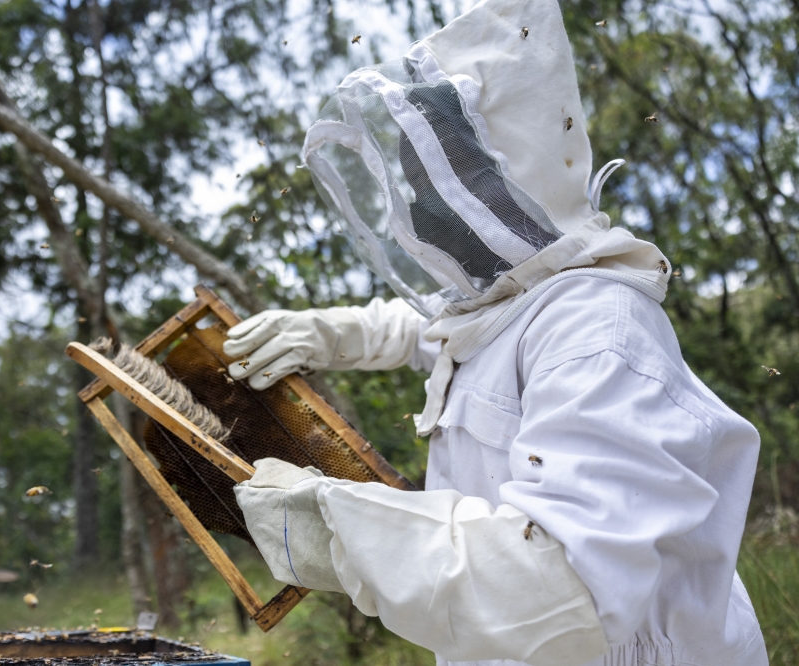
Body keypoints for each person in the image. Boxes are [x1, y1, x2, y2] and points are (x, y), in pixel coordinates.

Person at [225, 0, 769, 664]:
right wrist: (325, 331)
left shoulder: (596, 330)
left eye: (447, 183)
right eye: (418, 187)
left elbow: (567, 590)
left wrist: (341, 527)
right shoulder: (503, 307)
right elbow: (425, 329)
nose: (427, 212)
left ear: (513, 176)